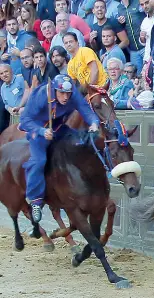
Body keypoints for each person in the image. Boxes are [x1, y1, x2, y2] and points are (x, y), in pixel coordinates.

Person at [19, 74, 100, 222]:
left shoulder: (72, 94)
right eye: (61, 93)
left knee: (81, 142)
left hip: (59, 128)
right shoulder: (40, 96)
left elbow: (84, 109)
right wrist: (42, 131)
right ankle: (36, 201)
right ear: (54, 89)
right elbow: (24, 120)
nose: (65, 97)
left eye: (68, 93)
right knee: (39, 161)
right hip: (38, 130)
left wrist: (94, 123)